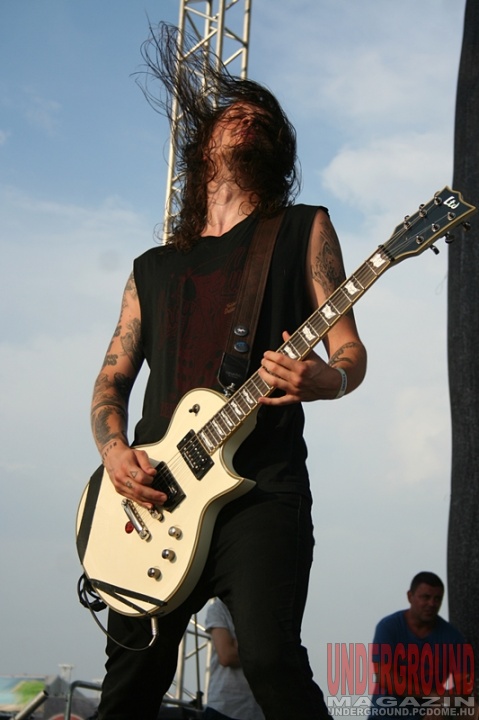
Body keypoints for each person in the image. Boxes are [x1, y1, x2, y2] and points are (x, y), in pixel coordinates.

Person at [89, 22, 367, 720]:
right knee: (128, 692)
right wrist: (115, 453)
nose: (248, 117)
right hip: (155, 495)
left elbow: (349, 352)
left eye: (262, 117)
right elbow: (111, 380)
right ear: (203, 143)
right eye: (234, 112)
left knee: (270, 662)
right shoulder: (151, 269)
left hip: (261, 488)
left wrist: (325, 380)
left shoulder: (302, 229)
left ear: (277, 150)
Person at [370, 571, 473, 717]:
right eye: (425, 597)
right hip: (388, 713)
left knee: (472, 710)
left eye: (437, 599)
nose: (431, 604)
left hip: (429, 713)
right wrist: (433, 695)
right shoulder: (388, 627)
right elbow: (384, 676)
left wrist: (445, 704)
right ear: (410, 596)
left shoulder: (453, 638)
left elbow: (463, 685)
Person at [203, 598, 265, 720]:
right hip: (225, 707)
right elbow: (227, 656)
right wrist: (260, 648)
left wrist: (239, 644)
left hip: (258, 710)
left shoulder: (264, 610)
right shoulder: (219, 608)